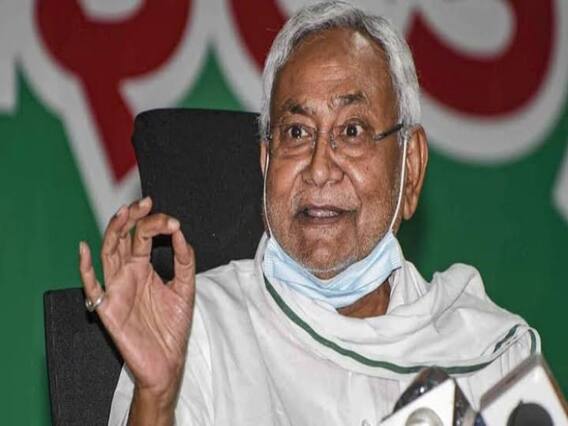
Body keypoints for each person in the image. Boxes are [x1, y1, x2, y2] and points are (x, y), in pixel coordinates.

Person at [79, 2, 539, 425]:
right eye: (297, 132)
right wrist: (157, 397)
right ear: (266, 163)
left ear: (410, 166)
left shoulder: (485, 350)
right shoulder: (198, 330)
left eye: (352, 131)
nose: (319, 169)